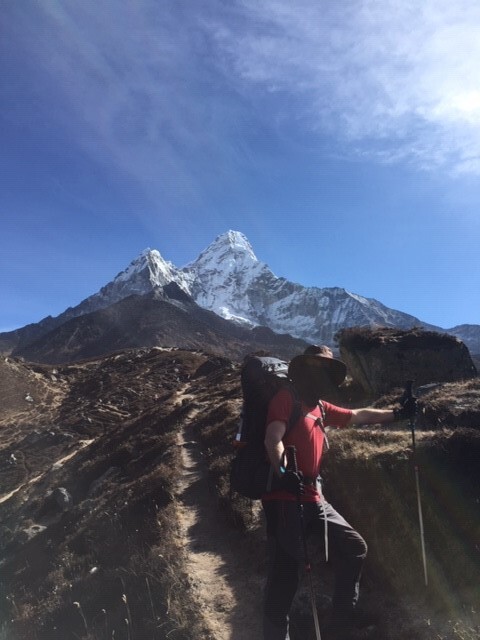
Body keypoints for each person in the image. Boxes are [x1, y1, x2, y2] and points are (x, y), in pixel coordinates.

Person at [262, 345, 416, 640]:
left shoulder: (320, 407)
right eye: (317, 369)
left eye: (328, 371)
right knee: (284, 578)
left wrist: (397, 414)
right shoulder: (287, 399)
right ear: (303, 371)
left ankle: (340, 628)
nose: (322, 377)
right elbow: (273, 438)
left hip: (314, 496)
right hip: (285, 497)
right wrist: (284, 472)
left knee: (354, 547)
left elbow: (358, 415)